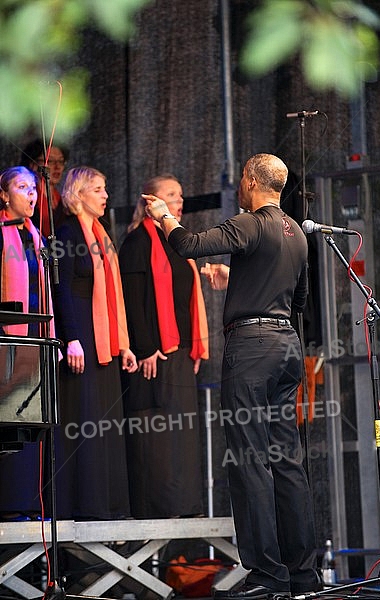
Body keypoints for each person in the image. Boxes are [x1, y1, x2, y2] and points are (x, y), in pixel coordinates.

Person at [145, 154, 321, 598]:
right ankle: (302, 573)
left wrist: (163, 215)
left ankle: (266, 575)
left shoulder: (249, 223)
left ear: (250, 180)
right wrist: (239, 275)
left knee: (249, 461)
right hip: (286, 348)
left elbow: (187, 244)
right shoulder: (297, 233)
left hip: (252, 350)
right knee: (287, 460)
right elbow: (296, 299)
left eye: (241, 178)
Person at [118, 173, 209, 518]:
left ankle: (185, 507)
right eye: (172, 194)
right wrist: (145, 349)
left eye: (181, 194)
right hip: (154, 355)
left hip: (181, 352)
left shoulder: (177, 241)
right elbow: (132, 302)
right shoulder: (138, 243)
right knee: (158, 437)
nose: (180, 201)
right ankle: (159, 508)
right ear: (150, 202)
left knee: (182, 437)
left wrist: (194, 346)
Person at [53, 166, 137, 520]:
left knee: (105, 420)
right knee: (83, 417)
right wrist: (70, 338)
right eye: (99, 190)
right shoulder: (66, 232)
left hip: (104, 340)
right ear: (78, 193)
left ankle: (107, 506)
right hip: (82, 337)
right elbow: (60, 290)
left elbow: (114, 295)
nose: (105, 196)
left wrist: (125, 345)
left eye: (105, 189)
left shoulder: (102, 234)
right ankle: (82, 505)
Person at [0, 166, 57, 519]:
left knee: (32, 421)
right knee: (9, 420)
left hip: (36, 341)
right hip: (7, 341)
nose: (32, 194)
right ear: (4, 195)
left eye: (34, 187)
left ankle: (29, 505)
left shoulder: (37, 238)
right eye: (22, 187)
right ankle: (10, 505)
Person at [20, 138, 69, 238]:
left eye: (60, 161)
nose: (57, 167)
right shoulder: (27, 201)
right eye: (50, 161)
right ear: (33, 165)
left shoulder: (63, 201)